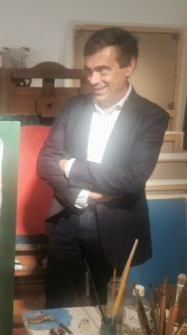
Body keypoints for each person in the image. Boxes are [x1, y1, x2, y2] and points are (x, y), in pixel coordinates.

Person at [37, 27, 169, 308]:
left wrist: (71, 166)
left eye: (102, 70)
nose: (92, 79)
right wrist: (80, 194)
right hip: (66, 218)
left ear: (129, 66)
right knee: (57, 303)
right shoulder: (73, 107)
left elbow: (132, 178)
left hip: (115, 225)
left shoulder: (152, 116)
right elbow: (46, 161)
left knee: (106, 310)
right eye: (89, 70)